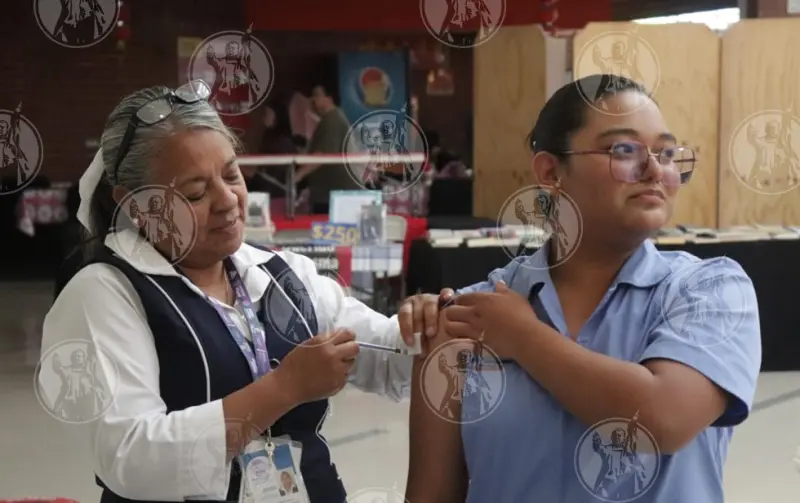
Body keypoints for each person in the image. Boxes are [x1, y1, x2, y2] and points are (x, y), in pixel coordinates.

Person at [41, 80, 452, 503]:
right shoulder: (105, 294)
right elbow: (129, 456)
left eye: (232, 174)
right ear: (137, 205)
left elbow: (384, 360)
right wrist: (283, 389)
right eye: (196, 192)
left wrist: (419, 328)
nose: (228, 201)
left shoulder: (282, 275)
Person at [406, 74, 761, 502]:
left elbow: (663, 418)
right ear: (552, 172)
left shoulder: (710, 293)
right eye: (623, 150)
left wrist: (524, 337)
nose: (654, 169)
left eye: (667, 152)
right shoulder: (465, 320)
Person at [296, 81, 361, 215]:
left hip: (336, 195)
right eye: (311, 96)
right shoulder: (331, 119)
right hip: (332, 194)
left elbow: (322, 155)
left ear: (329, 98)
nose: (313, 100)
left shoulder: (332, 120)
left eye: (317, 95)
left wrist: (297, 176)